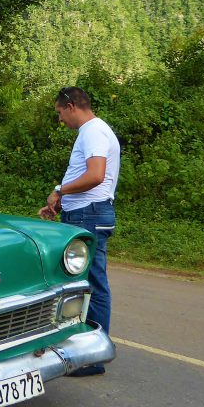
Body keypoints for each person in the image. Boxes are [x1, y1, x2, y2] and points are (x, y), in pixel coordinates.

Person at [38, 87, 120, 377]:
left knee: (92, 283)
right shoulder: (94, 131)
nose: (61, 120)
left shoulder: (92, 131)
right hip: (86, 212)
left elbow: (96, 175)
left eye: (60, 113)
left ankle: (91, 357)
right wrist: (63, 202)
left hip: (90, 214)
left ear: (71, 106)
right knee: (80, 281)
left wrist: (60, 190)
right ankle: (82, 349)